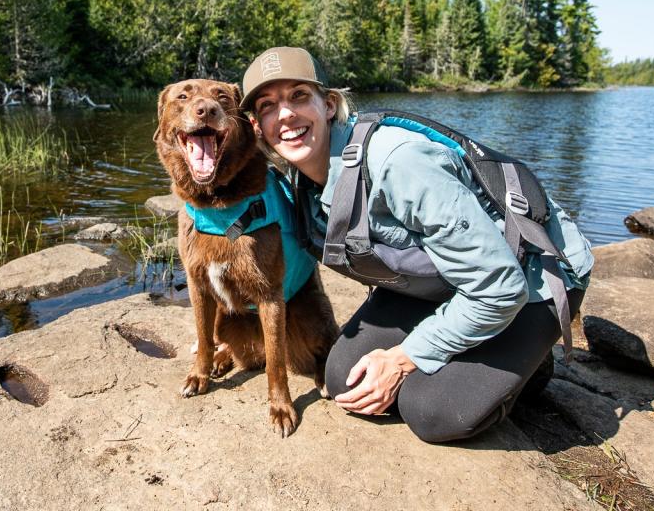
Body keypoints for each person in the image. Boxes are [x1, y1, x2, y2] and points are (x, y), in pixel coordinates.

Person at [239, 46, 594, 443]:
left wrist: (404, 359)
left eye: (299, 96)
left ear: (329, 104)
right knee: (344, 380)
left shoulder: (398, 161)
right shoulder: (301, 179)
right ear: (257, 125)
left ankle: (528, 363)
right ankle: (489, 349)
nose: (285, 115)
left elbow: (499, 286)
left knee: (432, 412)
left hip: (527, 277)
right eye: (269, 105)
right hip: (441, 280)